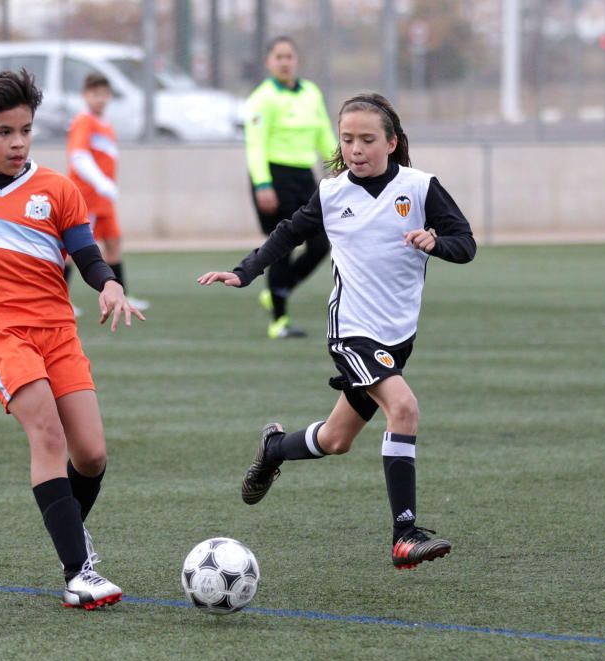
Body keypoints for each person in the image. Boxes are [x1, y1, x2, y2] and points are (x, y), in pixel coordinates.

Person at [198, 92, 476, 570]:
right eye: (347, 139)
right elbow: (288, 233)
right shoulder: (331, 193)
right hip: (352, 331)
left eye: (367, 139)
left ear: (392, 142)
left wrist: (436, 241)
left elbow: (465, 243)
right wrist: (245, 272)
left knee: (335, 440)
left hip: (397, 337)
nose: (356, 149)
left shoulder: (421, 187)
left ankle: (273, 448)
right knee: (404, 407)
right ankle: (404, 534)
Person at [0, 69, 144, 609]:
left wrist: (109, 284)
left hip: (57, 331)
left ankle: (69, 531)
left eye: (25, 130)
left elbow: (87, 253)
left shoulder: (58, 190)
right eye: (4, 132)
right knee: (47, 435)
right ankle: (79, 571)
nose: (18, 142)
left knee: (90, 454)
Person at [244, 35, 336, 339]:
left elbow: (323, 134)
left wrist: (343, 167)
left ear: (297, 60)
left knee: (321, 243)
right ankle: (279, 321)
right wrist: (263, 184)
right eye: (278, 57)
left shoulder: (311, 93)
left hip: (304, 177)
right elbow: (254, 146)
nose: (284, 62)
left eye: (289, 56)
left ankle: (280, 291)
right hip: (275, 176)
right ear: (269, 62)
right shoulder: (262, 98)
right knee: (282, 245)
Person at [64, 72, 149, 313]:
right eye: (94, 94)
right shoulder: (84, 121)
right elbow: (78, 156)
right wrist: (100, 182)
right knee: (75, 248)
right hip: (87, 197)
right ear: (85, 95)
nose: (99, 99)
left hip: (104, 200)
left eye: (103, 94)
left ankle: (122, 296)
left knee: (113, 243)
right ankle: (59, 301)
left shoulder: (106, 125)